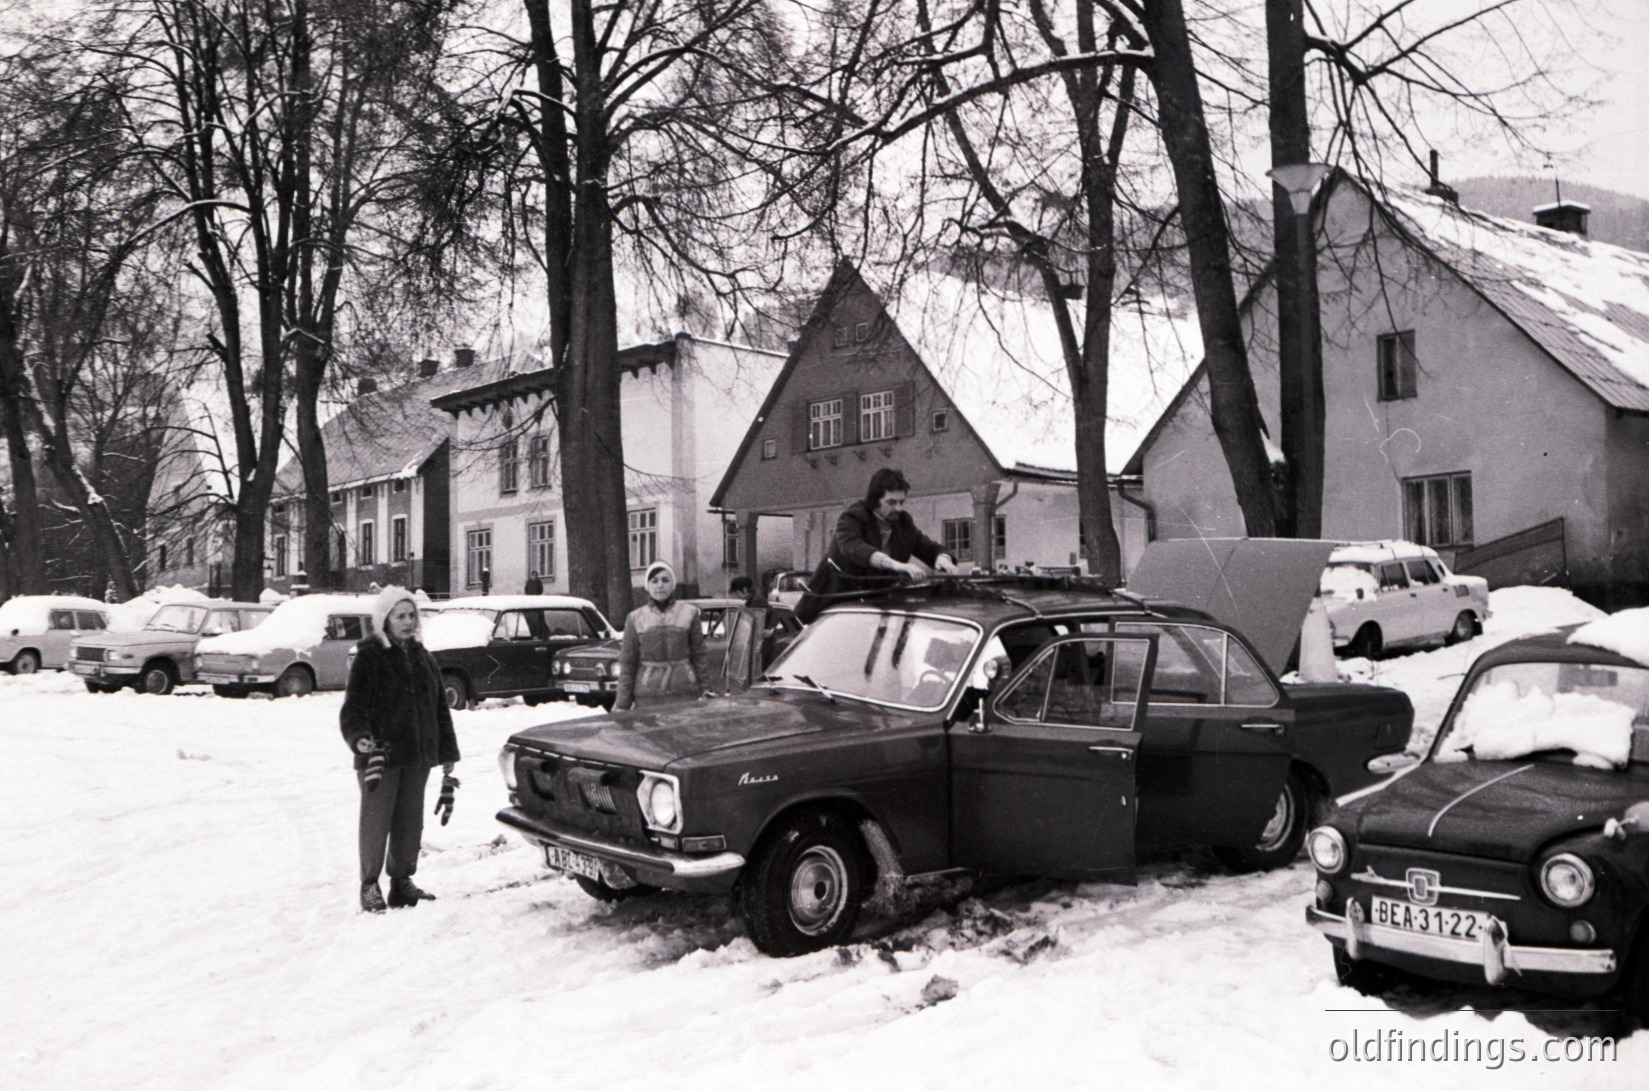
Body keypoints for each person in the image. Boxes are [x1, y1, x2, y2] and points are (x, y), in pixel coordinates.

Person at [340, 586, 460, 913]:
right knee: (377, 821)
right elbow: (352, 710)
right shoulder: (369, 655)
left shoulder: (424, 657)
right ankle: (369, 886)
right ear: (385, 619)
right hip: (380, 757)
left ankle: (401, 883)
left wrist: (448, 754)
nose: (407, 622)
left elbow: (440, 710)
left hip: (418, 756)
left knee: (410, 822)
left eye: (411, 616)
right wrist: (360, 739)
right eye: (400, 616)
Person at [795, 468, 957, 623]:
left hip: (872, 610)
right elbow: (855, 548)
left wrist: (942, 559)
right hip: (829, 608)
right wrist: (897, 566)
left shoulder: (903, 522)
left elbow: (926, 546)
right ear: (874, 500)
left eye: (902, 502)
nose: (898, 508)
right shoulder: (853, 517)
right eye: (891, 502)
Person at [615, 560, 709, 710]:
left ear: (673, 584)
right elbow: (628, 663)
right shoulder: (635, 618)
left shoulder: (690, 613)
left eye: (665, 580)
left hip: (684, 693)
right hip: (648, 696)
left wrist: (706, 689)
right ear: (647, 586)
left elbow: (699, 654)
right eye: (655, 581)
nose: (660, 585)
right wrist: (622, 703)